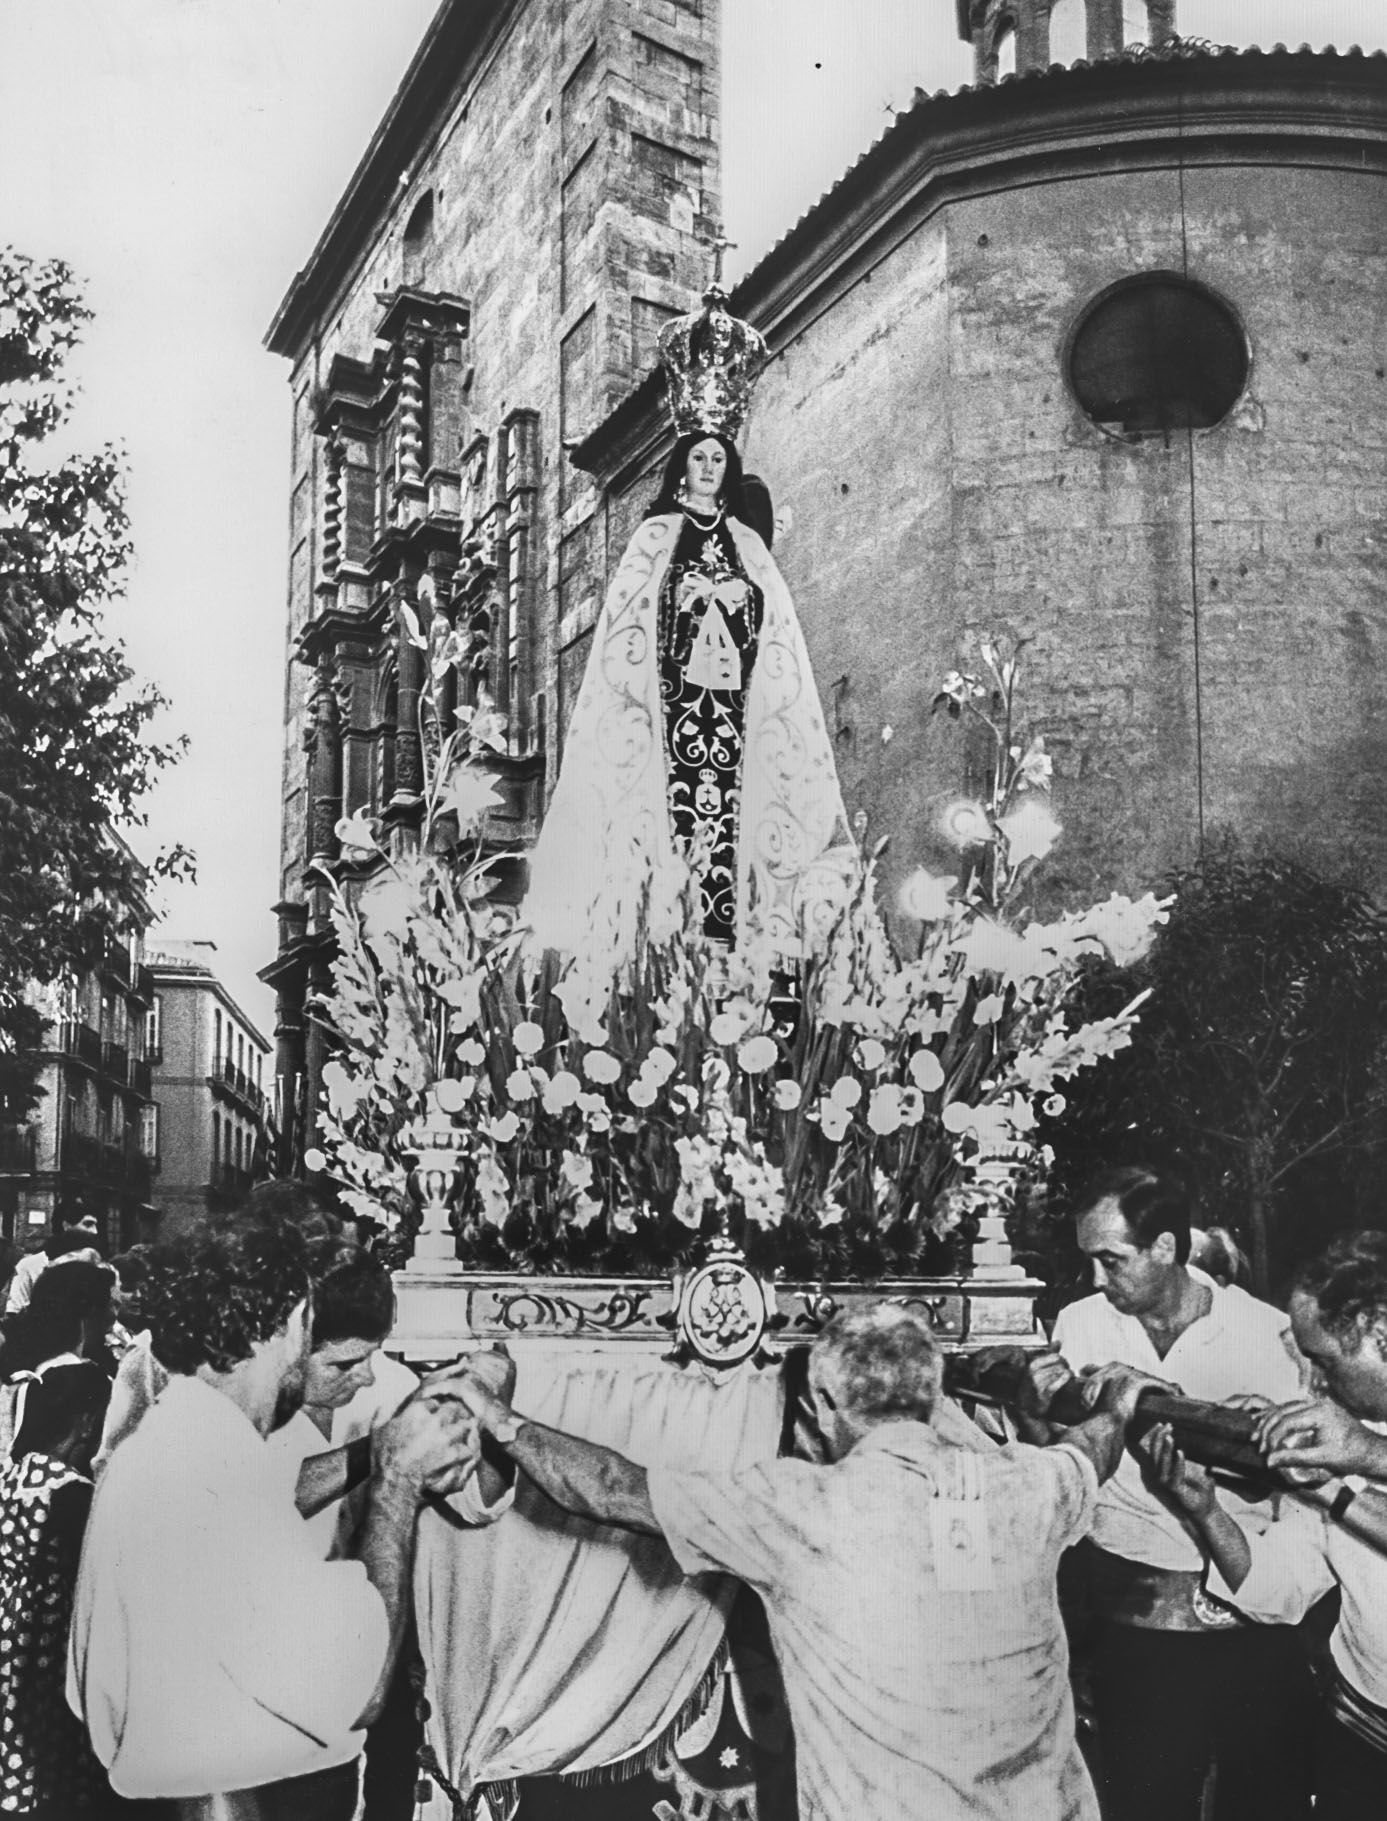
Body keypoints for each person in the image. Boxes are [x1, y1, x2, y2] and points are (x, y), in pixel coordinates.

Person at [450, 1302, 1155, 1821]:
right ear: (934, 1395)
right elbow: (1089, 1449)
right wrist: (1117, 1407)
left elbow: (609, 1487)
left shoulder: (801, 1511)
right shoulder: (1026, 1484)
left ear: (820, 1405)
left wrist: (494, 1410)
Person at [67, 1219, 481, 1820]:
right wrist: (397, 1480)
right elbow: (357, 1685)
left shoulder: (177, 1438)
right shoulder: (210, 1466)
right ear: (291, 1322)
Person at [524, 285, 857, 966]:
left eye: (718, 458)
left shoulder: (748, 543)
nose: (708, 466)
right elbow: (628, 630)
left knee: (742, 838)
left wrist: (736, 604)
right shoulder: (654, 537)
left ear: (728, 467)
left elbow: (778, 639)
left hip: (737, 716)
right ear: (683, 467)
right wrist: (691, 601)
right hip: (672, 707)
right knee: (671, 831)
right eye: (698, 457)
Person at [1043, 1166, 1312, 1821]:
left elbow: (1300, 1484)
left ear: (1165, 1247)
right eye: (1088, 1262)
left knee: (1261, 1800)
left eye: (1110, 1260)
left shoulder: (1271, 1335)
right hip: (1132, 1621)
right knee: (1145, 1798)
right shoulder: (1078, 1324)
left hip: (1250, 1613)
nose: (1095, 1280)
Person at [1145, 1230, 1387, 1819]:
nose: (1317, 1383)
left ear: (1382, 1333)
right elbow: (1280, 1590)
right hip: (1360, 1733)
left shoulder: (1349, 1448)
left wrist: (1351, 1469)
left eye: (1326, 1361)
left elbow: (1344, 1485)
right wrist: (1203, 1508)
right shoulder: (1343, 1433)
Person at [0, 1358, 116, 1819]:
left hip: (9, 1640)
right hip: (47, 1651)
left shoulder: (12, 1477)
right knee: (52, 1765)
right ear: (88, 1420)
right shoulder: (74, 1494)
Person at [5, 1211, 102, 1312]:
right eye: (88, 1224)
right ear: (66, 1225)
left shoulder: (96, 1262)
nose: (95, 1231)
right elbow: (15, 1310)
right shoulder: (32, 1264)